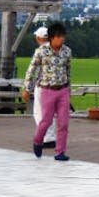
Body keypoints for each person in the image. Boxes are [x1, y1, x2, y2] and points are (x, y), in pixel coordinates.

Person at [22, 22, 72, 161]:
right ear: (51, 37)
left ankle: (60, 152)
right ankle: (38, 141)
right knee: (46, 121)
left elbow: (68, 71)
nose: (62, 39)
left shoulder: (67, 51)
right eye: (59, 36)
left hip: (62, 90)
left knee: (63, 123)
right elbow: (30, 70)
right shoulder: (41, 51)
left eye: (63, 36)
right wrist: (27, 88)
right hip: (47, 90)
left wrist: (69, 91)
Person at [22, 27, 57, 148]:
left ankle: (45, 138)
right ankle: (51, 137)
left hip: (42, 86)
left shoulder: (40, 51)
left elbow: (31, 71)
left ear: (39, 38)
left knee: (39, 112)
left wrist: (27, 88)